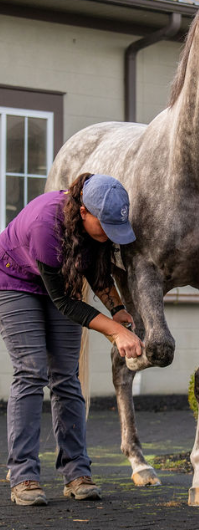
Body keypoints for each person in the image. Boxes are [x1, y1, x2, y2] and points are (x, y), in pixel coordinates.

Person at [0, 173, 143, 507]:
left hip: (60, 283)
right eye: (105, 227)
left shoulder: (98, 228)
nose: (110, 236)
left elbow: (96, 270)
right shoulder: (46, 225)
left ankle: (77, 472)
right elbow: (65, 303)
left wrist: (117, 309)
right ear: (83, 212)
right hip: (14, 282)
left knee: (66, 376)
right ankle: (24, 476)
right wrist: (114, 330)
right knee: (32, 371)